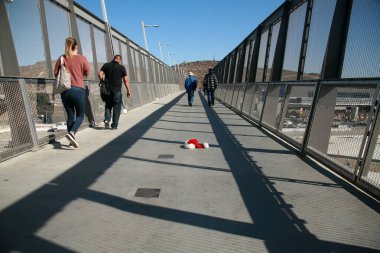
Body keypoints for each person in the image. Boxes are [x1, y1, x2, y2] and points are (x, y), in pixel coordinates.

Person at [54, 37, 90, 148]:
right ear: (76, 46)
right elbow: (87, 73)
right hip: (78, 89)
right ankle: (72, 133)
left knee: (70, 116)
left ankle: (71, 140)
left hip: (65, 91)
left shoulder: (61, 58)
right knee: (80, 115)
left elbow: (56, 73)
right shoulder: (82, 58)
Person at [98, 55, 131, 129]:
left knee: (108, 105)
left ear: (114, 59)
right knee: (117, 108)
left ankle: (107, 119)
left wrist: (102, 81)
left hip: (107, 90)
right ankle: (114, 125)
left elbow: (100, 74)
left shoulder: (106, 65)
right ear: (120, 60)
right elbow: (126, 80)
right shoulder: (122, 67)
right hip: (117, 91)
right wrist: (128, 90)